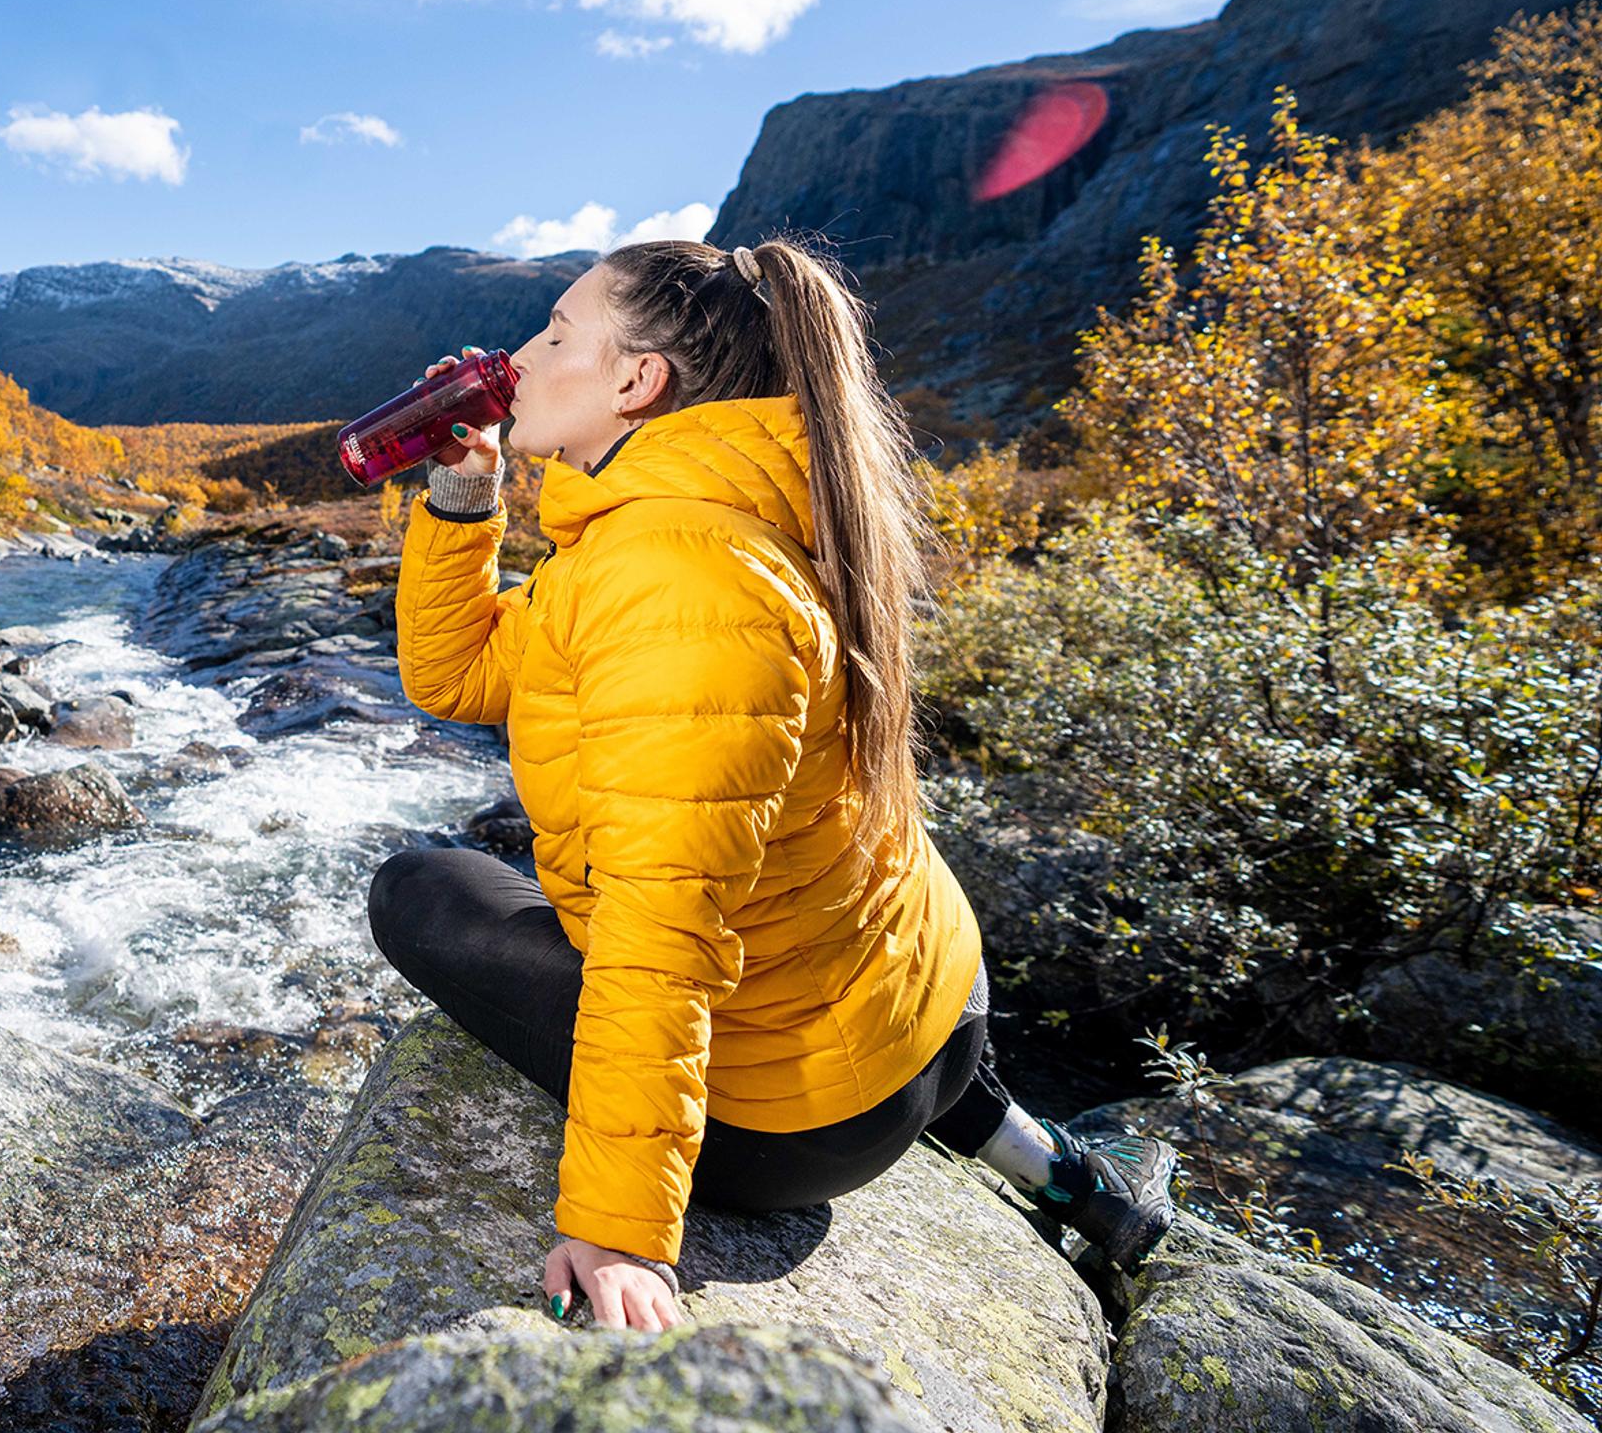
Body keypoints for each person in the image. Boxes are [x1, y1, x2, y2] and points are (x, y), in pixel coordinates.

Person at [367, 237, 1175, 1333]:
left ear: (634, 383)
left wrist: (620, 1230)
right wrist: (465, 496)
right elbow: (460, 672)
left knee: (423, 890)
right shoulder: (691, 523)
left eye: (556, 333)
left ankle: (998, 1145)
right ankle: (1050, 1166)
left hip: (803, 1133)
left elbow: (663, 927)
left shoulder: (675, 577)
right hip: (938, 1008)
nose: (518, 356)